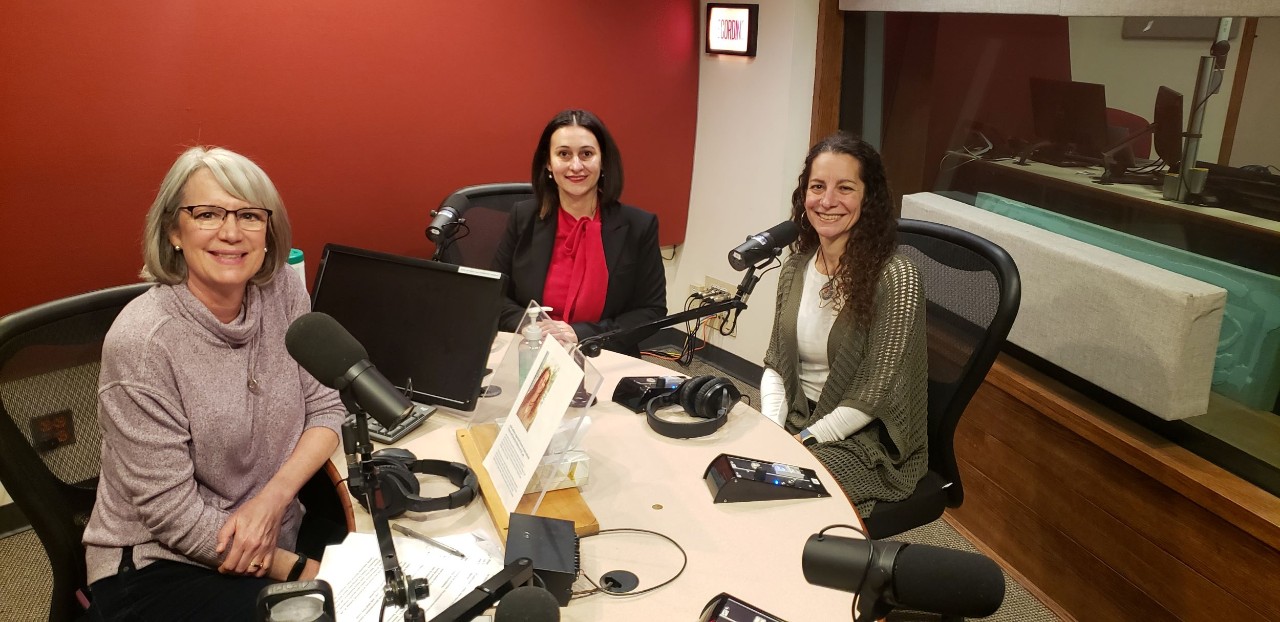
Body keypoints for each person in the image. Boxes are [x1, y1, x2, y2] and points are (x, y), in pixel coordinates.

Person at [82, 146, 346, 620]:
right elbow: (171, 517)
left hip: (271, 529)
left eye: (248, 215)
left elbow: (326, 407)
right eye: (206, 213)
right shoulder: (144, 342)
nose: (230, 232)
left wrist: (273, 498)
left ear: (268, 230)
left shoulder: (283, 290)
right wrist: (299, 569)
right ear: (174, 231)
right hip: (159, 564)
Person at [760, 132, 929, 517]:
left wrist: (800, 441)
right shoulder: (795, 268)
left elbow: (873, 397)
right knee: (730, 462)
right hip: (798, 420)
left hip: (865, 438)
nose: (827, 201)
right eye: (817, 187)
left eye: (845, 188)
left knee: (775, 493)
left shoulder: (896, 279)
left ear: (868, 198)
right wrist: (770, 430)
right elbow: (776, 363)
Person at [492, 109, 666, 356]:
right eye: (564, 154)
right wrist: (531, 327)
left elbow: (651, 310)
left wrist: (581, 333)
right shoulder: (523, 217)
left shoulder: (639, 225)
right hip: (531, 349)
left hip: (603, 353)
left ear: (603, 160)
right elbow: (493, 295)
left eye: (586, 154)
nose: (576, 166)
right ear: (548, 164)